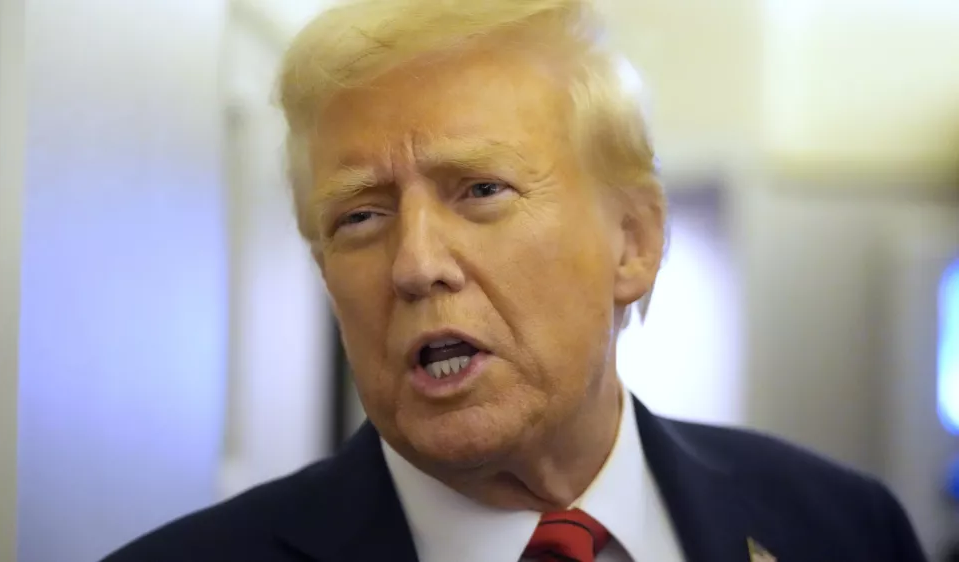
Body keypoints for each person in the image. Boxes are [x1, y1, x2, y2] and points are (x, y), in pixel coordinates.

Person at [103, 0, 929, 560]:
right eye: (360, 217)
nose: (416, 265)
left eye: (481, 190)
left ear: (633, 242)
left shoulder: (843, 528)